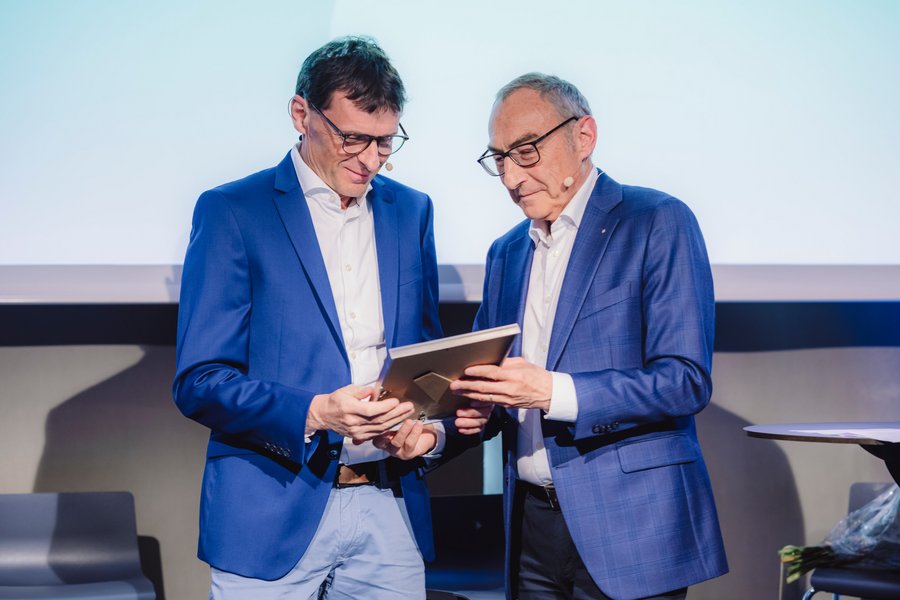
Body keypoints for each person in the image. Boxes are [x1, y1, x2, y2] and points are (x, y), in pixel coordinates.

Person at [173, 36, 486, 599]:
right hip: (270, 508)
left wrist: (430, 432)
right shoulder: (233, 211)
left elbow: (424, 359)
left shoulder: (411, 211)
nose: (370, 159)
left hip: (389, 506)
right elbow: (200, 381)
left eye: (385, 141)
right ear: (302, 114)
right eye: (352, 138)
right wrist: (316, 412)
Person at [450, 73, 728, 600]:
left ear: (584, 136)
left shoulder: (656, 220)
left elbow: (684, 380)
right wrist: (467, 414)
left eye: (526, 151)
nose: (511, 176)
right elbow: (487, 381)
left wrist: (552, 392)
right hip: (530, 526)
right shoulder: (506, 253)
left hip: (631, 525)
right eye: (499, 158)